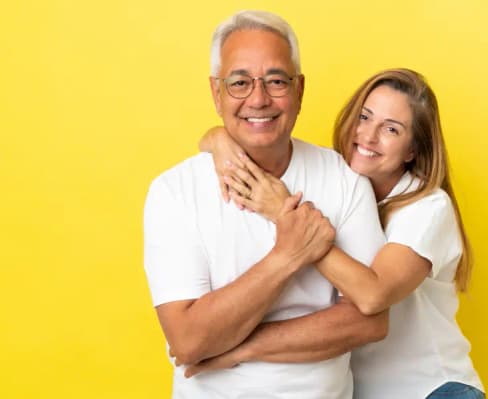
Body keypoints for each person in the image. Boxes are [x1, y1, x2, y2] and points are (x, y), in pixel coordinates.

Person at [194, 68, 486, 399]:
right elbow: (231, 138)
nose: (369, 136)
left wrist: (285, 217)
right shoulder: (338, 185)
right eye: (364, 117)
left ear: (412, 150)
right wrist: (217, 138)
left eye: (391, 129)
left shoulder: (427, 208)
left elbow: (372, 295)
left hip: (432, 391)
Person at [143, 10, 388, 399]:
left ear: (300, 90)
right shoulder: (173, 192)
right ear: (216, 93)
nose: (258, 99)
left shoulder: (344, 180)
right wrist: (288, 255)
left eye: (276, 81)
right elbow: (189, 342)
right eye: (239, 82)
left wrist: (238, 347)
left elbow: (371, 320)